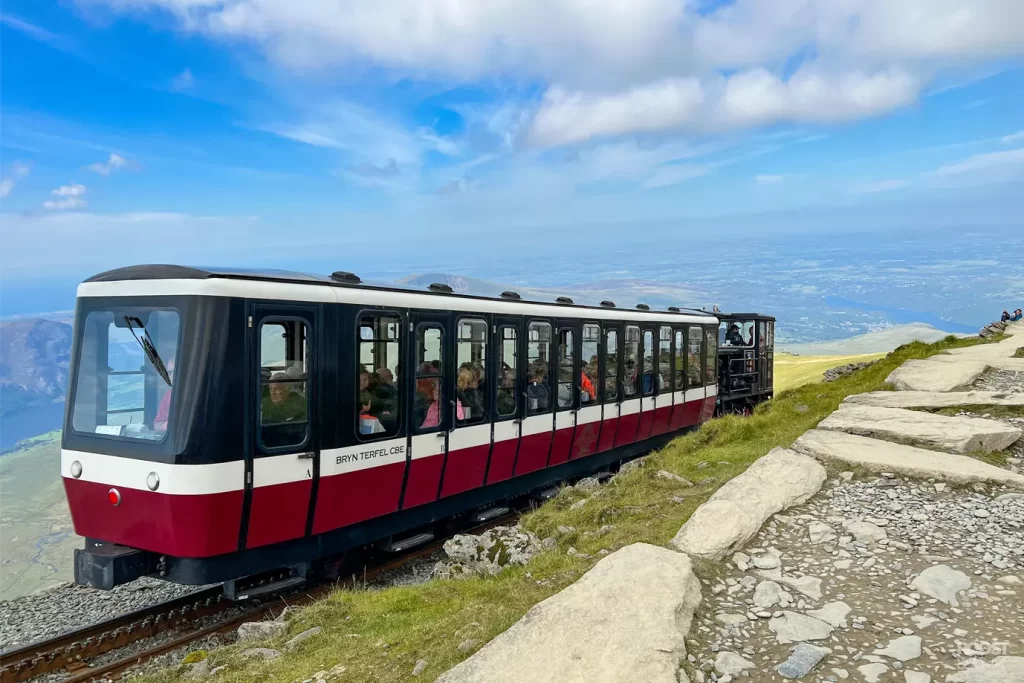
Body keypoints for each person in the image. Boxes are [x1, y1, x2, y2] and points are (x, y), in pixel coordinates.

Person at [153, 358, 175, 432]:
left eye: (174, 371)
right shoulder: (169, 395)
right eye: (169, 372)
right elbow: (158, 423)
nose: (171, 376)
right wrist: (166, 426)